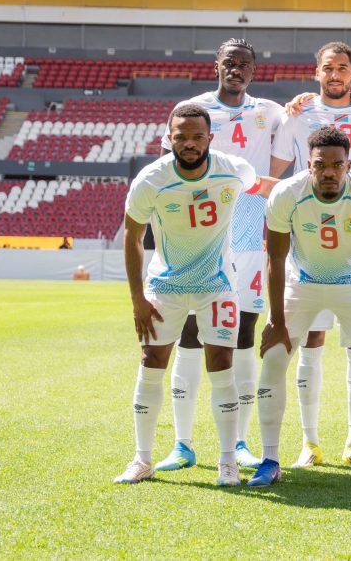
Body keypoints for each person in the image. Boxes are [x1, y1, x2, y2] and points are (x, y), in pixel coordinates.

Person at [115, 104, 276, 486]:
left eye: (197, 137)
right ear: (169, 138)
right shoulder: (150, 180)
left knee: (222, 363)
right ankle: (142, 459)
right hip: (165, 286)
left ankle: (226, 462)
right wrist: (137, 299)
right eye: (181, 136)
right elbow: (133, 237)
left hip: (216, 285)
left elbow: (261, 185)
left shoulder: (233, 168)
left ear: (209, 139)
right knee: (152, 361)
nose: (189, 143)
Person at [270, 41, 351, 471]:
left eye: (343, 67)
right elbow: (276, 170)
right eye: (328, 67)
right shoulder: (297, 114)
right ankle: (309, 442)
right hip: (308, 246)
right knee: (310, 344)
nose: (335, 74)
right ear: (316, 71)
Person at [156, 39, 285, 471]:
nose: (236, 69)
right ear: (217, 65)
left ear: (254, 70)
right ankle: (182, 443)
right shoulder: (191, 108)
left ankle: (241, 440)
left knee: (244, 334)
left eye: (244, 64)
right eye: (229, 62)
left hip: (249, 238)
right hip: (202, 237)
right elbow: (170, 170)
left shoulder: (271, 111)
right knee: (192, 333)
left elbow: (300, 137)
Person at [250, 126, 351, 489]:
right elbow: (277, 259)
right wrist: (277, 320)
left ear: (348, 165)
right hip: (304, 283)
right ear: (309, 165)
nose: (329, 172)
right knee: (273, 359)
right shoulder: (286, 193)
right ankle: (270, 459)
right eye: (320, 165)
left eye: (336, 165)